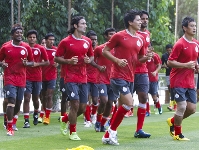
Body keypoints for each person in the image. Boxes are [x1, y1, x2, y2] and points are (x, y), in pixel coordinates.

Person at [101, 9, 152, 145]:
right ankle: (111, 132)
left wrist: (146, 57)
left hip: (130, 76)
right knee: (129, 103)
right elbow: (104, 51)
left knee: (125, 105)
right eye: (138, 20)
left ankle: (108, 134)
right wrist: (117, 60)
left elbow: (139, 58)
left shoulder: (140, 39)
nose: (141, 22)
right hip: (117, 75)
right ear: (130, 22)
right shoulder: (119, 36)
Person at [54, 16, 94, 140]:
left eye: (85, 23)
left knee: (82, 107)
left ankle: (65, 119)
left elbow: (91, 57)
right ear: (75, 26)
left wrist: (89, 60)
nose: (85, 25)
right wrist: (68, 61)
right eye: (83, 23)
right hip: (70, 77)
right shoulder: (65, 41)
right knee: (75, 104)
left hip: (83, 77)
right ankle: (73, 132)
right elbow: (56, 58)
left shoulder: (87, 41)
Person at [167, 16, 199, 141]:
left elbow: (195, 59)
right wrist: (185, 65)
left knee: (191, 109)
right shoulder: (179, 44)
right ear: (184, 28)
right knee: (182, 106)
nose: (194, 28)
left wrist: (196, 66)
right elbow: (170, 62)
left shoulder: (196, 43)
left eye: (195, 26)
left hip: (190, 81)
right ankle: (177, 134)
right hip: (178, 81)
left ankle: (173, 121)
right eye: (191, 26)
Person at [0, 23, 34, 136]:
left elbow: (32, 62)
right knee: (11, 101)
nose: (19, 34)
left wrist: (26, 63)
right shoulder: (6, 47)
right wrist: (2, 64)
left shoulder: (26, 47)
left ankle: (11, 120)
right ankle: (10, 128)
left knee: (18, 103)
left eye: (20, 32)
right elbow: (0, 61)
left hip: (21, 78)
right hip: (9, 77)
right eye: (17, 32)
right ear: (12, 34)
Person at [22, 30, 49, 128]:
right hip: (26, 77)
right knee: (27, 98)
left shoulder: (41, 48)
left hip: (37, 78)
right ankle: (26, 120)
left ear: (36, 38)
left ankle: (36, 113)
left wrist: (38, 64)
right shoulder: (24, 48)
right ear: (27, 38)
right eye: (30, 37)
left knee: (35, 99)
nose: (32, 39)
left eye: (33, 37)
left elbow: (47, 62)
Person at [93, 27, 116, 132]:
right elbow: (90, 60)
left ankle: (102, 124)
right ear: (106, 36)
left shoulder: (118, 50)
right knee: (103, 100)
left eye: (114, 34)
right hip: (101, 79)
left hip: (113, 80)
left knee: (110, 103)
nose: (113, 35)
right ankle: (97, 121)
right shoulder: (99, 49)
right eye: (110, 34)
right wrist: (98, 67)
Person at [133, 10, 151, 138]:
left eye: (146, 19)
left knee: (144, 97)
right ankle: (110, 123)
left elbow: (144, 51)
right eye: (142, 19)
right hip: (130, 70)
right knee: (124, 101)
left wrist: (148, 55)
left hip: (143, 70)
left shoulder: (147, 34)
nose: (144, 21)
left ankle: (139, 129)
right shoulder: (133, 33)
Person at [40, 33, 57, 125]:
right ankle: (42, 112)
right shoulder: (41, 50)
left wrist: (57, 64)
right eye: (50, 39)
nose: (52, 41)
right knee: (43, 97)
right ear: (45, 40)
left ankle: (47, 116)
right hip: (41, 76)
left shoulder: (56, 50)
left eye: (53, 40)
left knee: (49, 96)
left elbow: (60, 60)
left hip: (52, 76)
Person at [84, 30, 99, 127]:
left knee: (95, 99)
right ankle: (87, 120)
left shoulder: (98, 50)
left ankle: (93, 115)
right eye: (91, 39)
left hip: (96, 78)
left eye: (95, 39)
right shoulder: (84, 49)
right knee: (85, 99)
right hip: (85, 77)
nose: (93, 41)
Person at [146, 44, 162, 116]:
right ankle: (147, 111)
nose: (147, 49)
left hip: (153, 79)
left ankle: (159, 107)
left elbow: (159, 65)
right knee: (144, 95)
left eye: (148, 47)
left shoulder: (155, 56)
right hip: (144, 78)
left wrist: (155, 72)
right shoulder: (143, 56)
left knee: (154, 97)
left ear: (151, 48)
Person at [161, 44, 176, 111]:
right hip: (168, 74)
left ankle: (172, 104)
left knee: (174, 89)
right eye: (168, 50)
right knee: (170, 89)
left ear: (172, 49)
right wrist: (165, 66)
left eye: (170, 50)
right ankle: (173, 104)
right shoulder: (164, 56)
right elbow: (160, 65)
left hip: (175, 74)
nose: (169, 51)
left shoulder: (175, 54)